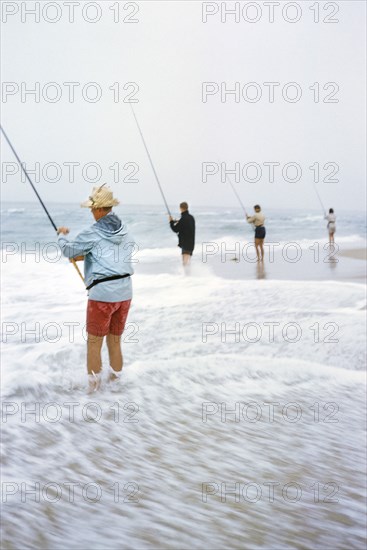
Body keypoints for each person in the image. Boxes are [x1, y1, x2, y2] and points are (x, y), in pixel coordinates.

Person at [57, 184, 135, 393]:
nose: (91, 212)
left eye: (92, 208)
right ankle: (115, 388)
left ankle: (93, 392)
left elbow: (68, 250)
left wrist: (62, 235)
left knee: (94, 343)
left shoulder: (92, 233)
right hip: (125, 292)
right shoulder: (125, 229)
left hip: (102, 296)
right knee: (115, 341)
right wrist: (89, 255)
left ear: (100, 209)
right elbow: (111, 253)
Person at [169, 202, 195, 266]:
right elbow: (185, 225)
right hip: (191, 243)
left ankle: (187, 275)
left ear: (180, 208)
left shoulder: (183, 219)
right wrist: (177, 221)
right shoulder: (191, 218)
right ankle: (189, 275)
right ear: (187, 207)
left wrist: (171, 222)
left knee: (185, 263)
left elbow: (175, 229)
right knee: (187, 262)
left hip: (185, 243)